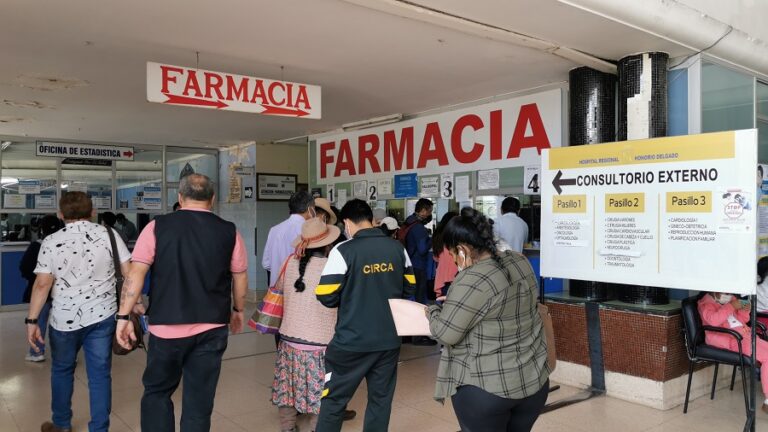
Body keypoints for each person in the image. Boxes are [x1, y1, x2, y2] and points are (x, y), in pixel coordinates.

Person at [115, 173, 249, 432]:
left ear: (179, 197)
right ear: (212, 199)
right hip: (212, 327)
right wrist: (238, 310)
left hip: (166, 328)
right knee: (199, 401)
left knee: (157, 392)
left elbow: (136, 275)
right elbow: (240, 277)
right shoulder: (230, 231)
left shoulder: (156, 227)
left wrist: (123, 316)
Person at [426, 208, 550, 432]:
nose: (454, 261)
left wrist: (434, 311)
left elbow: (445, 333)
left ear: (462, 249)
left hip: (487, 388)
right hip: (533, 381)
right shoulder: (519, 261)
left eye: (453, 254)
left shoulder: (471, 278)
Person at [26, 192, 132, 432]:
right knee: (100, 375)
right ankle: (99, 428)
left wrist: (32, 320)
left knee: (62, 370)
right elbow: (129, 274)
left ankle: (62, 424)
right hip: (104, 316)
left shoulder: (51, 241)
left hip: (64, 320)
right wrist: (131, 306)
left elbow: (42, 285)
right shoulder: (109, 234)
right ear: (92, 212)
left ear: (61, 215)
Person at [315, 199, 415, 432]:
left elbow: (326, 295)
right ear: (371, 220)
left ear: (347, 223)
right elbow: (410, 287)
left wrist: (353, 294)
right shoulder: (397, 248)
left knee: (334, 400)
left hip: (351, 342)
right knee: (380, 401)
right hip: (388, 341)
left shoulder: (343, 250)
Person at [272, 218, 344, 432]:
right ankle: (315, 427)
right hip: (320, 341)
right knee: (320, 389)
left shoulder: (289, 263)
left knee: (288, 386)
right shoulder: (333, 267)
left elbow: (278, 289)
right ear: (328, 244)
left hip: (288, 339)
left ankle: (288, 427)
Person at [698, 292, 768, 413]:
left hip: (744, 336)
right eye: (726, 293)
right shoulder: (706, 304)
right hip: (730, 339)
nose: (729, 295)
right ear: (715, 291)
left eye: (730, 292)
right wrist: (732, 306)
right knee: (767, 357)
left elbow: (742, 320)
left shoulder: (731, 300)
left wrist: (744, 310)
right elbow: (714, 321)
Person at [20, 214, 63, 362]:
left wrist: (34, 280)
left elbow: (25, 268)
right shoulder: (66, 244)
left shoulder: (37, 246)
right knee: (63, 323)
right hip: (62, 291)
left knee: (39, 321)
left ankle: (36, 352)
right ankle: (67, 355)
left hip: (42, 293)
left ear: (41, 228)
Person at [263, 191, 315, 287]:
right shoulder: (308, 231)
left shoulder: (274, 230)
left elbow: (266, 263)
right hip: (297, 289)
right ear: (310, 209)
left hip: (275, 292)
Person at [404, 198, 435, 345]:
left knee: (409, 300)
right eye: (429, 211)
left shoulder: (408, 222)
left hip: (408, 265)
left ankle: (407, 334)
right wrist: (431, 238)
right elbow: (422, 249)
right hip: (418, 266)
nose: (430, 214)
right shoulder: (419, 228)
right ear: (423, 211)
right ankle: (418, 336)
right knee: (419, 301)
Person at [431, 211, 458, 298]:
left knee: (443, 304)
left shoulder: (438, 236)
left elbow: (436, 258)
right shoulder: (455, 236)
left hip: (442, 276)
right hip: (455, 275)